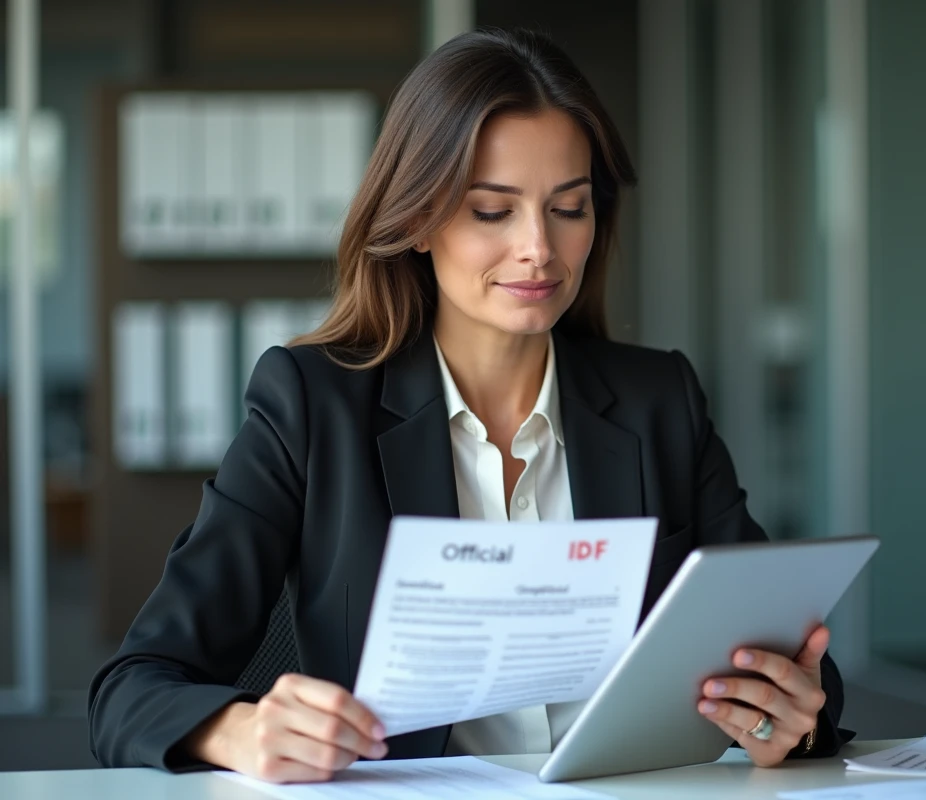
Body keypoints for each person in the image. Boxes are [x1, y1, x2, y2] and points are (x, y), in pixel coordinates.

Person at [87, 28, 850, 783]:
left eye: (569, 207)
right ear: (417, 219)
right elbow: (132, 689)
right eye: (493, 211)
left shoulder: (660, 401)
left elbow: (791, 660)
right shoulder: (313, 405)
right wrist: (241, 729)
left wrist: (789, 717)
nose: (539, 249)